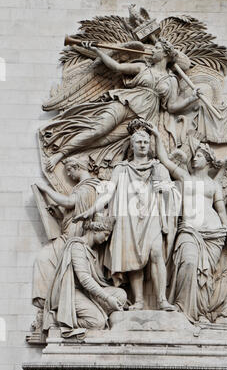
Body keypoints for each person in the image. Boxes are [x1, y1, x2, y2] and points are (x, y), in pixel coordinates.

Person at [42, 38, 200, 172]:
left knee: (105, 140)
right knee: (98, 129)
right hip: (125, 102)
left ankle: (72, 154)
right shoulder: (142, 67)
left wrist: (191, 98)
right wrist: (97, 51)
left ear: (165, 54)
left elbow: (171, 107)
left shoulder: (171, 80)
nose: (152, 51)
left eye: (157, 49)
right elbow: (116, 67)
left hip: (142, 118)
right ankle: (60, 154)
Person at [73, 119, 181, 311]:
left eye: (146, 142)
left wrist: (162, 188)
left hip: (152, 215)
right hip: (129, 218)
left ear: (150, 145)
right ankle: (139, 300)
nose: (142, 145)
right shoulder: (121, 169)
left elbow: (170, 192)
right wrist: (90, 211)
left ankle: (162, 300)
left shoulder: (158, 167)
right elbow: (108, 192)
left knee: (156, 252)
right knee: (134, 258)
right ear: (132, 144)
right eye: (139, 142)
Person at [150, 124, 227, 324]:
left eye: (199, 156)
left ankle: (199, 312)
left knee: (203, 276)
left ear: (208, 161)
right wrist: (156, 136)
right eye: (194, 155)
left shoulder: (214, 185)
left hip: (213, 233)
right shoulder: (185, 177)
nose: (194, 158)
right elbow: (164, 160)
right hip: (189, 230)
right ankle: (182, 308)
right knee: (188, 262)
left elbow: (221, 210)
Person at [32, 157, 103, 309]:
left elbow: (70, 202)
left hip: (74, 237)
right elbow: (73, 212)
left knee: (43, 258)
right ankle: (50, 302)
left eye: (69, 171)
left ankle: (48, 302)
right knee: (45, 260)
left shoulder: (89, 186)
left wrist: (46, 189)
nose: (68, 175)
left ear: (77, 167)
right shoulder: (82, 187)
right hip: (70, 233)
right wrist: (58, 214)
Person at [43, 216, 127, 338]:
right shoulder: (77, 246)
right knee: (97, 322)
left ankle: (97, 310)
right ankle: (57, 318)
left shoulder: (91, 251)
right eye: (106, 234)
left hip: (86, 293)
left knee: (121, 295)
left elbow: (97, 281)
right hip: (72, 293)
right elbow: (85, 280)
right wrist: (108, 298)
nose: (106, 239)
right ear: (95, 231)